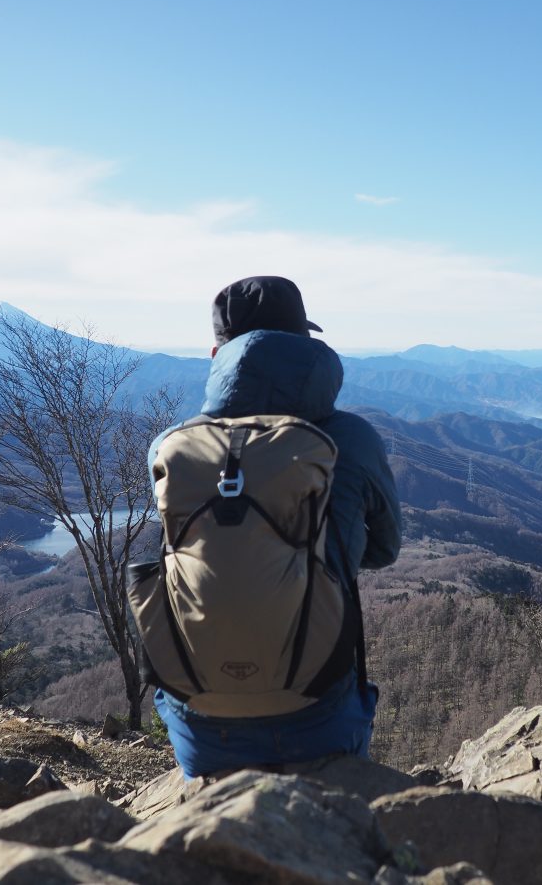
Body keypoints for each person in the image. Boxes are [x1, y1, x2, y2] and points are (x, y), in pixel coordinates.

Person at [148, 275, 401, 778]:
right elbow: (384, 550)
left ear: (215, 354)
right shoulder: (352, 438)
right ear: (307, 345)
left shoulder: (170, 446)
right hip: (319, 716)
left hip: (199, 724)